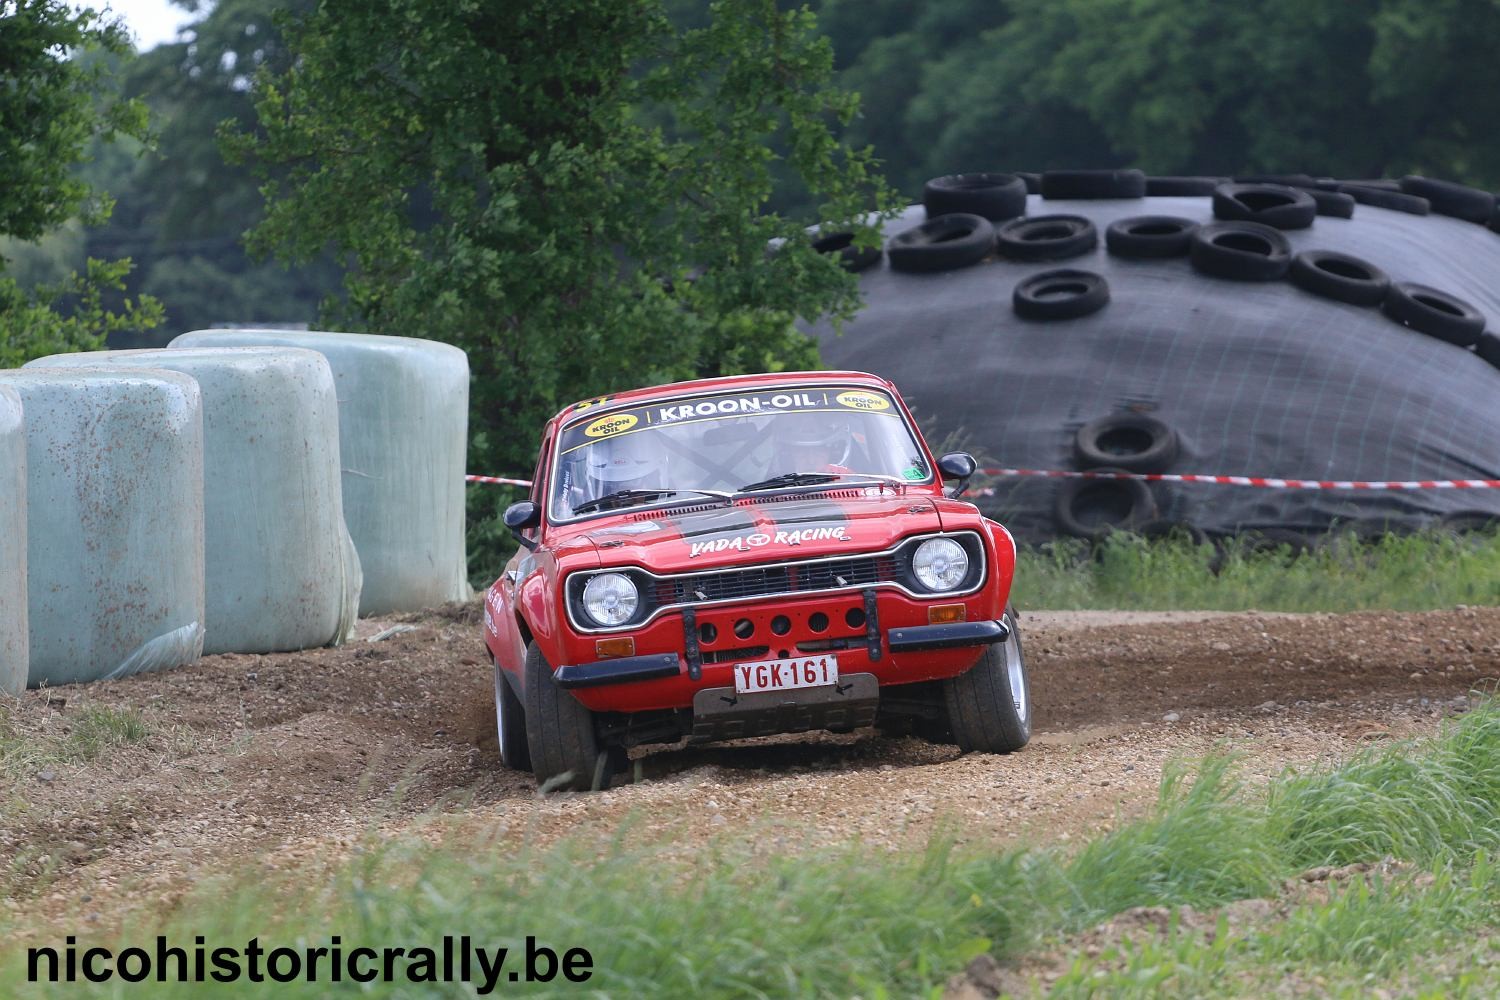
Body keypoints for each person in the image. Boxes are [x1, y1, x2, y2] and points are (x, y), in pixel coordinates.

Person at [768, 412, 854, 475]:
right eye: (801, 451)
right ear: (787, 454)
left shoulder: (855, 483)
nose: (811, 461)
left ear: (835, 453)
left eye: (819, 450)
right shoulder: (767, 488)